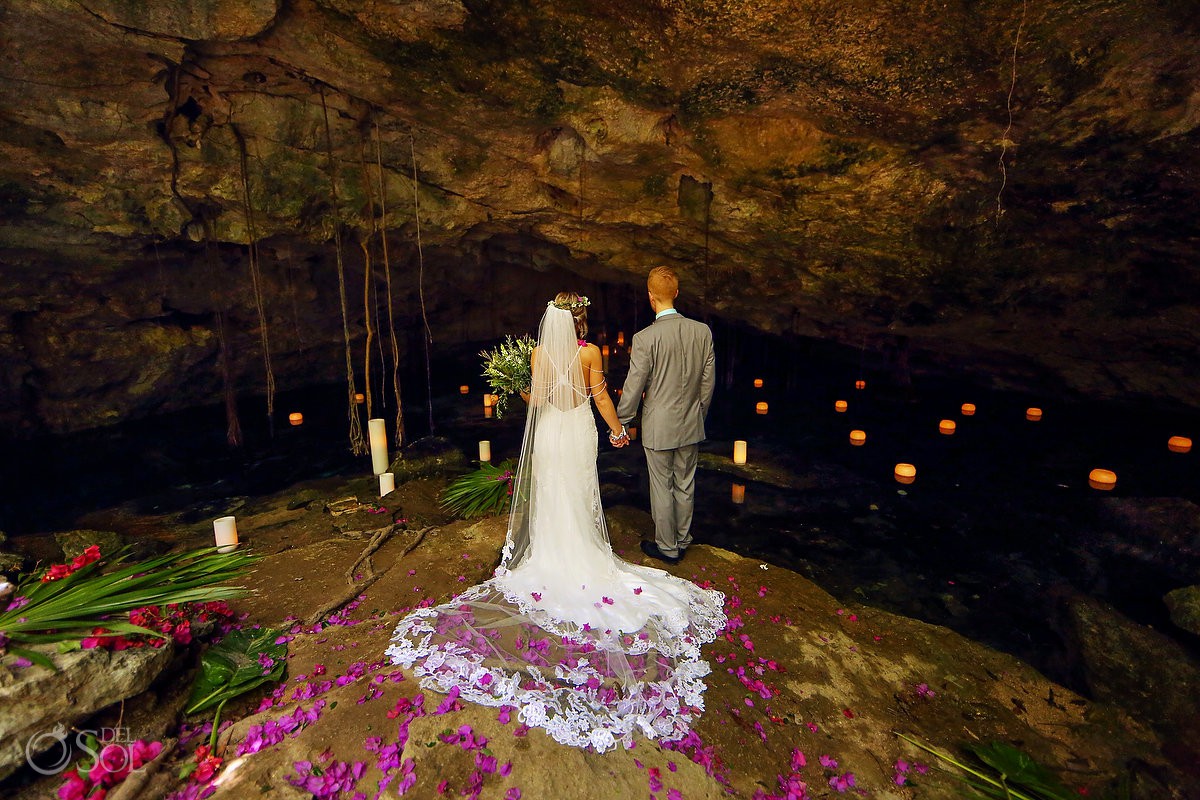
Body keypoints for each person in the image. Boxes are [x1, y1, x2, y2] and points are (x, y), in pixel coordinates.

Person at [386, 292, 726, 753]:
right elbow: (601, 394)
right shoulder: (589, 353)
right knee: (577, 489)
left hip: (549, 429)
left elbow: (536, 399)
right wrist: (618, 430)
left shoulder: (540, 353)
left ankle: (550, 553)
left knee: (552, 491)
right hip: (577, 427)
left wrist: (516, 386)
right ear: (582, 320)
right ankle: (582, 551)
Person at [617, 267, 716, 565]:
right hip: (691, 423)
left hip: (659, 426)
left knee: (662, 486)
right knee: (686, 482)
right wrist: (698, 414)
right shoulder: (703, 331)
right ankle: (684, 539)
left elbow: (634, 386)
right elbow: (708, 383)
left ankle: (668, 547)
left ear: (650, 297)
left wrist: (622, 421)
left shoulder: (645, 338)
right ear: (676, 292)